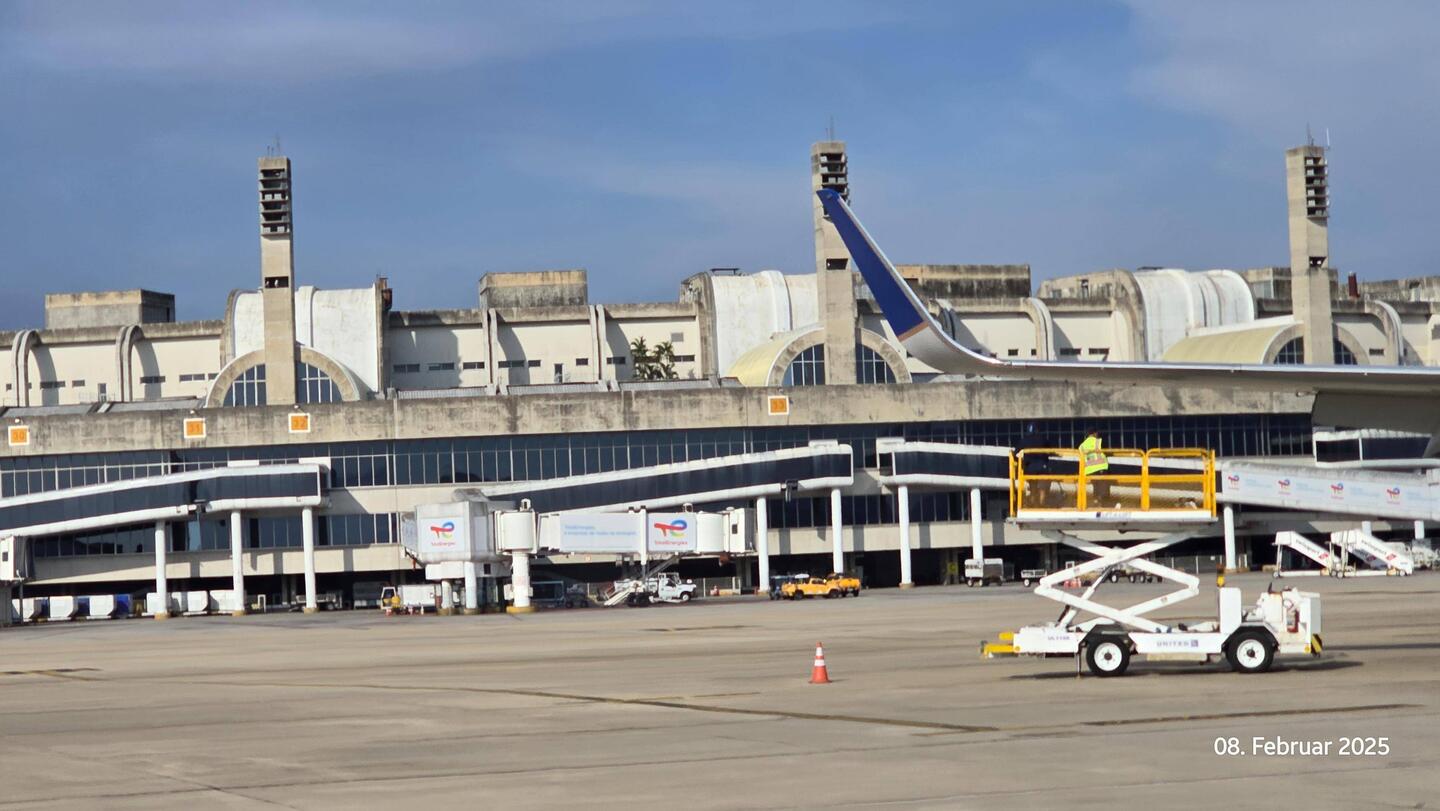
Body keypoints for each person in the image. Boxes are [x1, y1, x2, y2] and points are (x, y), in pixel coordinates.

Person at [1079, 429, 1111, 507]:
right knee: (1103, 489)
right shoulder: (1098, 442)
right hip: (1101, 468)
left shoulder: (1081, 446)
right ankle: (1101, 506)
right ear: (1095, 433)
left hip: (1089, 470)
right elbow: (1108, 452)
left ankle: (1096, 503)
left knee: (1096, 487)